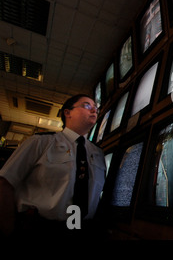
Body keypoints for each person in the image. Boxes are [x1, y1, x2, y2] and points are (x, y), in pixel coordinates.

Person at [0, 94, 106, 239]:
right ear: (67, 113)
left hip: (83, 230)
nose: (94, 110)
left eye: (96, 108)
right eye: (87, 105)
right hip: (40, 228)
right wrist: (8, 229)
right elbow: (5, 182)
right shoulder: (40, 142)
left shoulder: (98, 153)